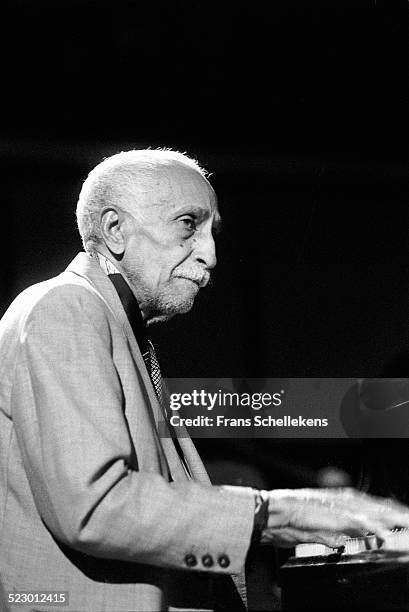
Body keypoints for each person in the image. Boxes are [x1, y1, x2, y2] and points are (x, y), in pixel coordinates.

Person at [0, 149, 408, 612]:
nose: (210, 255)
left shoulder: (113, 324)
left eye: (212, 232)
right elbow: (97, 507)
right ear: (115, 230)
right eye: (188, 224)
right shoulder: (67, 308)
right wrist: (280, 512)